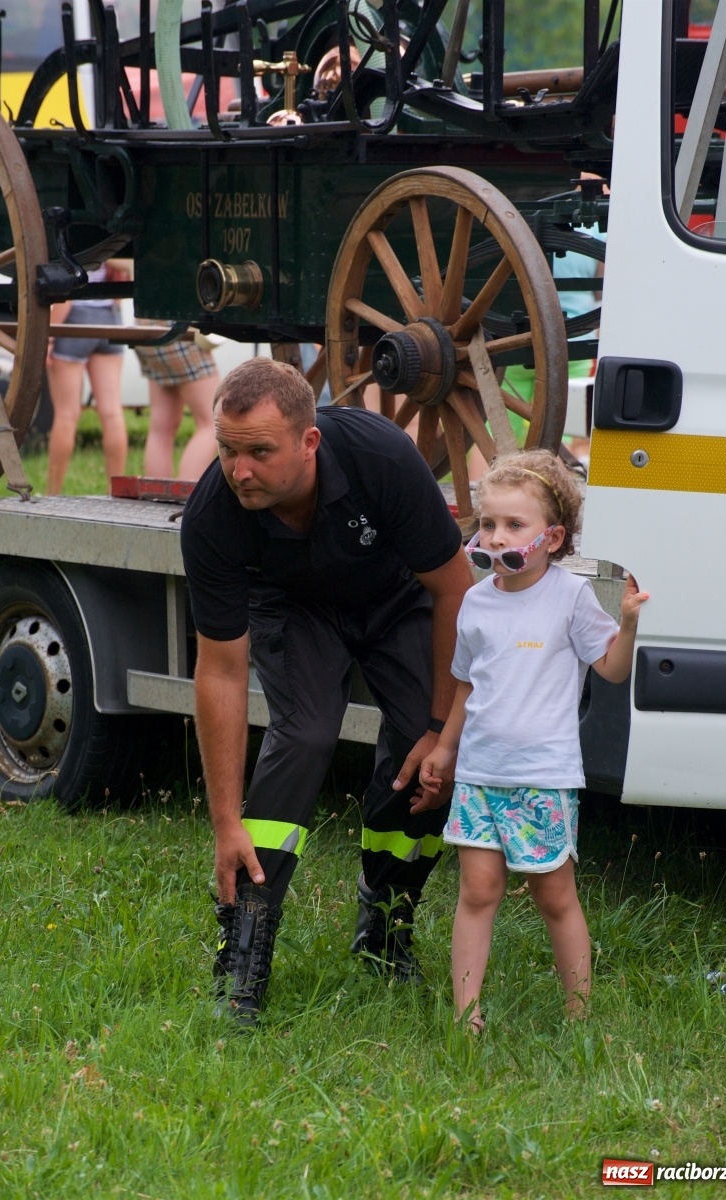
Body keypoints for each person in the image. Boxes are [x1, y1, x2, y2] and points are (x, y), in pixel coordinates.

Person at [180, 357, 473, 1024]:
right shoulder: (213, 517)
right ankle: (244, 955)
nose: (239, 470)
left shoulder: (382, 457)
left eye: (259, 452)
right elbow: (221, 671)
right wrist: (226, 822)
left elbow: (456, 589)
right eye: (227, 451)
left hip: (397, 600)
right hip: (294, 607)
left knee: (426, 756)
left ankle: (385, 928)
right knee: (306, 735)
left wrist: (437, 727)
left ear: (309, 442)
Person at [419, 450, 649, 1028]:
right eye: (489, 524)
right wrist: (445, 751)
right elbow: (469, 689)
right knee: (477, 891)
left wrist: (627, 626)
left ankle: (579, 1017)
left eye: (513, 526)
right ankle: (465, 1019)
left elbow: (611, 671)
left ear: (552, 538)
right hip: (479, 774)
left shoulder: (569, 597)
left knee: (553, 897)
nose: (497, 538)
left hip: (542, 778)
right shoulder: (474, 602)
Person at [46, 267, 127, 495]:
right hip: (110, 317)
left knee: (66, 415)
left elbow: (67, 290)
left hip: (75, 316)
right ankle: (117, 491)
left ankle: (53, 493)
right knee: (112, 412)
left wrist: (48, 337)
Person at [135, 332, 219, 481]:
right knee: (213, 423)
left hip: (147, 331)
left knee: (161, 428)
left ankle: (156, 497)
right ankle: (186, 499)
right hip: (178, 331)